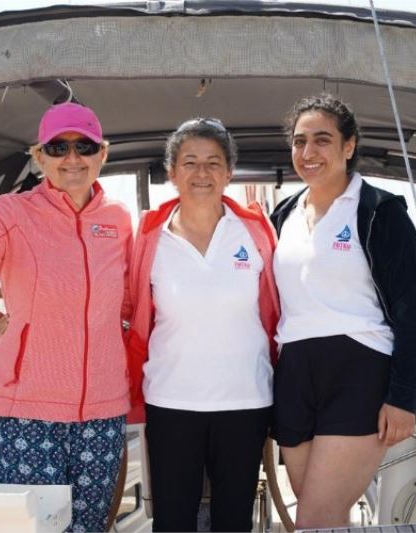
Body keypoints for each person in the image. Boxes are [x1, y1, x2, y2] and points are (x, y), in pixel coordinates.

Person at [0, 102, 132, 532]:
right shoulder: (13, 213)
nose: (72, 158)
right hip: (25, 413)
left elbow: (127, 305)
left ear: (103, 154)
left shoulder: (119, 219)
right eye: (58, 148)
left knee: (88, 529)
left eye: (85, 146)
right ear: (39, 157)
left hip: (103, 412)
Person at [270, 93, 416, 529]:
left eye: (322, 140)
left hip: (359, 371)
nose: (308, 152)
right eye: (299, 141)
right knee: (322, 516)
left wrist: (402, 398)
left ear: (349, 146)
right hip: (294, 375)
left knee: (315, 518)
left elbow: (414, 310)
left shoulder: (380, 212)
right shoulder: (282, 215)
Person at [126, 118, 280, 532]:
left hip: (246, 400)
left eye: (213, 162)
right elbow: (121, 307)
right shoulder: (148, 237)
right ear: (172, 172)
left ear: (229, 173)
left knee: (234, 521)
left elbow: (284, 306)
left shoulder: (255, 231)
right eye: (190, 162)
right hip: (171, 401)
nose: (202, 173)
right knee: (172, 521)